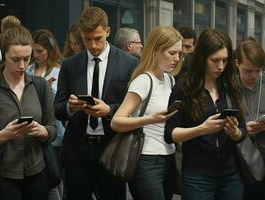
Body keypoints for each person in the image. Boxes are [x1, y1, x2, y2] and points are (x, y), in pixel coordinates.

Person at [54, 6, 139, 200]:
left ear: (108, 31)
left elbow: (136, 109)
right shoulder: (70, 64)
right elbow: (58, 109)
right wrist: (70, 107)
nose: (93, 45)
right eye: (87, 39)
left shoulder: (129, 63)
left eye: (98, 38)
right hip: (78, 149)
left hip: (112, 148)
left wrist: (110, 110)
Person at [0, 25, 56, 200]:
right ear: (1, 55)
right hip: (1, 174)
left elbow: (52, 128)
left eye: (26, 58)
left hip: (37, 172)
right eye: (15, 59)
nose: (22, 65)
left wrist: (43, 131)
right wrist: (0, 136)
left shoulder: (40, 86)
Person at [165, 28, 246, 200]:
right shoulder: (184, 88)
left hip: (231, 175)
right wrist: (201, 129)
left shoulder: (231, 86)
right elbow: (170, 134)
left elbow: (243, 131)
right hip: (197, 176)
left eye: (225, 60)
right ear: (202, 58)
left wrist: (236, 133)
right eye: (215, 60)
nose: (221, 66)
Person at [111, 26, 183, 200]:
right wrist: (149, 119)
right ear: (156, 50)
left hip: (169, 157)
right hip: (145, 160)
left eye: (179, 53)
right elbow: (116, 121)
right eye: (172, 53)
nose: (177, 58)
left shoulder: (169, 79)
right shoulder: (143, 80)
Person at [27, 28, 64, 200]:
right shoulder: (28, 69)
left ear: (49, 50)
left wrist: (46, 90)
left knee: (54, 175)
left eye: (40, 51)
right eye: (33, 51)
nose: (36, 55)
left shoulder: (58, 71)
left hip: (54, 130)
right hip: (31, 131)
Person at [234, 39, 265, 200]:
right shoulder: (230, 87)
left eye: (257, 70)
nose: (253, 75)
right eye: (247, 71)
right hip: (240, 161)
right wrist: (243, 128)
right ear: (237, 63)